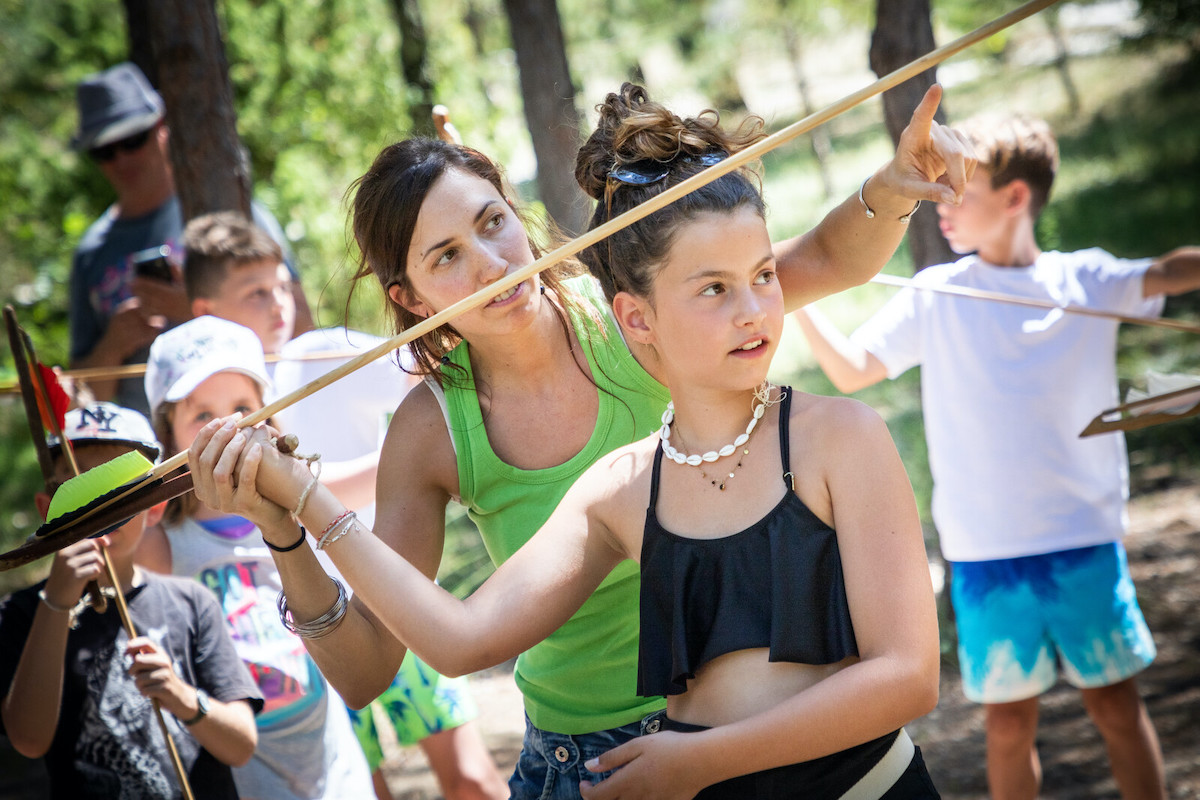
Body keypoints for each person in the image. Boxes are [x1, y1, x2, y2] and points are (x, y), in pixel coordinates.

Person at [189, 83, 958, 799]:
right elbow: (377, 668)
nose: (491, 264)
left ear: (517, 216)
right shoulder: (445, 432)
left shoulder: (645, 308)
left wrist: (891, 192)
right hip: (587, 755)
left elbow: (799, 264)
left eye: (492, 222)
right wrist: (288, 527)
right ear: (410, 297)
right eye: (446, 256)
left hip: (755, 736)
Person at [792, 113, 1200, 800]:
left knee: (1116, 710)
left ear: (1015, 198)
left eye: (963, 191)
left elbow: (1164, 273)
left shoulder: (1086, 282)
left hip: (1083, 545)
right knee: (1008, 726)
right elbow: (855, 368)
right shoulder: (936, 295)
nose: (944, 203)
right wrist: (793, 292)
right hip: (985, 556)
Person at [176, 211, 508, 800]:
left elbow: (427, 367)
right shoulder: (209, 404)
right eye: (255, 293)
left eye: (281, 284)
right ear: (205, 311)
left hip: (391, 596)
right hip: (314, 629)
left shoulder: (324, 352)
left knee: (474, 782)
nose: (278, 302)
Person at [139, 315, 374, 800]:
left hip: (335, 773)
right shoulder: (162, 542)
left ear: (271, 417)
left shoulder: (302, 496)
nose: (228, 428)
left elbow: (388, 468)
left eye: (243, 407)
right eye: (202, 415)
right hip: (241, 778)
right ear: (168, 438)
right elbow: (101, 537)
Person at [0, 401, 261, 799]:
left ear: (153, 507)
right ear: (46, 509)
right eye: (80, 487)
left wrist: (180, 695)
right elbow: (28, 740)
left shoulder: (191, 602)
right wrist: (55, 603)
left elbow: (241, 745)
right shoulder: (22, 613)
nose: (100, 508)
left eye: (118, 490)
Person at [68, 61, 313, 414]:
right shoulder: (91, 252)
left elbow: (301, 329)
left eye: (132, 140)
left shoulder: (231, 210)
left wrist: (197, 313)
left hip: (251, 428)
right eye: (103, 151)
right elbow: (79, 404)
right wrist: (113, 345)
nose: (121, 159)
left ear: (161, 127)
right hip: (149, 457)